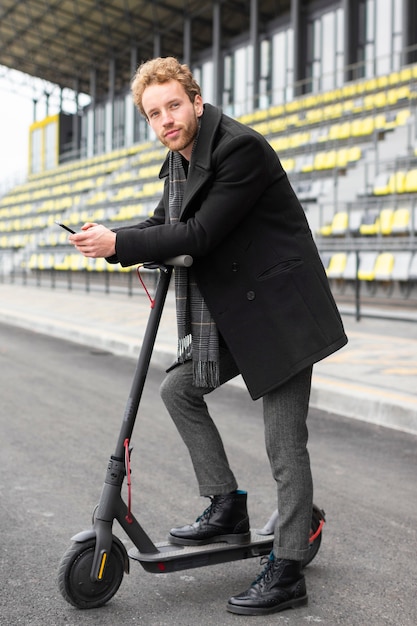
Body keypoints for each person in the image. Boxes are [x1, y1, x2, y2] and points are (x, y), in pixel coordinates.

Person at [70, 56, 347, 615]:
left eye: (173, 105)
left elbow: (199, 234)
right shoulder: (179, 160)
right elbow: (160, 222)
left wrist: (121, 247)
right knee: (178, 389)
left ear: (196, 102)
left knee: (284, 445)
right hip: (238, 311)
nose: (166, 120)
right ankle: (227, 504)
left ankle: (289, 568)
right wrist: (111, 235)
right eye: (154, 113)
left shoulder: (238, 150)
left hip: (281, 312)